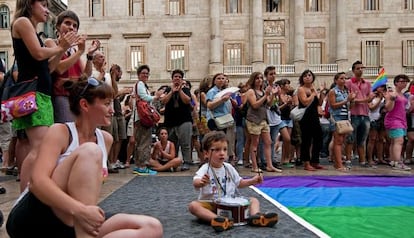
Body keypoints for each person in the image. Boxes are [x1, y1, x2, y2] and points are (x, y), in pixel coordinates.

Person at [6, 77, 163, 238]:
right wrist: (81, 210)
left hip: (72, 222)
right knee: (90, 151)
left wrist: (84, 213)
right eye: (106, 104)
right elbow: (37, 183)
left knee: (152, 227)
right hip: (34, 219)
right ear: (85, 105)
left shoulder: (105, 139)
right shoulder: (60, 132)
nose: (112, 110)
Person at [11, 0, 79, 192]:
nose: (47, 10)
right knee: (39, 147)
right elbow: (39, 54)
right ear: (30, 4)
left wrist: (62, 49)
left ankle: (28, 194)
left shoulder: (32, 30)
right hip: (33, 93)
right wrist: (60, 47)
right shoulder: (22, 22)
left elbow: (49, 67)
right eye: (43, 4)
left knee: (37, 147)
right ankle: (25, 197)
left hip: (41, 93)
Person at [188, 131, 278, 232]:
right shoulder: (205, 168)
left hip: (230, 202)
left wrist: (253, 180)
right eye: (217, 150)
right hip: (210, 204)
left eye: (225, 149)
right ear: (206, 153)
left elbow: (239, 183)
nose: (222, 153)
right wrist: (201, 182)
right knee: (193, 206)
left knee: (253, 200)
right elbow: (195, 181)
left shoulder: (229, 167)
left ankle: (256, 217)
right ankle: (216, 219)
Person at [49, 10, 100, 123]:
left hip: (75, 96)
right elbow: (59, 68)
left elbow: (85, 75)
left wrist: (90, 55)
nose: (71, 27)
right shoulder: (51, 43)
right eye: (67, 23)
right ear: (58, 26)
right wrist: (80, 52)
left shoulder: (74, 50)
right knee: (68, 131)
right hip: (61, 96)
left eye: (75, 26)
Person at [245, 72, 281, 173]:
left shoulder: (263, 91)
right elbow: (255, 105)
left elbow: (269, 104)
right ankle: (254, 166)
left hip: (264, 119)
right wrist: (265, 96)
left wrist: (272, 95)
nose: (259, 80)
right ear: (253, 80)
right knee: (255, 143)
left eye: (261, 78)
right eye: (257, 78)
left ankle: (269, 165)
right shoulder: (251, 91)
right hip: (254, 119)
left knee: (268, 142)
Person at [132, 65, 163, 175]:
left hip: (139, 117)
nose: (145, 75)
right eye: (143, 73)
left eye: (147, 73)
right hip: (143, 117)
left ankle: (138, 165)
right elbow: (144, 97)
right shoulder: (140, 84)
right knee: (145, 142)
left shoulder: (140, 85)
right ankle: (143, 166)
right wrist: (156, 97)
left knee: (140, 141)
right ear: (139, 74)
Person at [161, 69, 193, 170]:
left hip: (184, 120)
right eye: (175, 77)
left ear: (182, 79)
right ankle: (173, 162)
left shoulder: (186, 90)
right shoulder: (167, 90)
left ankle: (187, 161)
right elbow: (164, 101)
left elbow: (187, 101)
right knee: (172, 143)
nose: (177, 78)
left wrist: (179, 90)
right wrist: (172, 91)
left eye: (179, 77)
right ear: (172, 78)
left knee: (185, 142)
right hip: (170, 121)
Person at [344, 61, 375, 167]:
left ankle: (362, 161)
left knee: (362, 139)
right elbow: (348, 98)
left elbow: (370, 96)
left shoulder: (367, 83)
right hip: (353, 113)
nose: (360, 70)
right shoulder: (348, 83)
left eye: (362, 68)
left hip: (365, 114)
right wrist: (365, 99)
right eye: (358, 68)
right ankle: (348, 160)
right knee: (350, 139)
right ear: (353, 70)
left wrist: (368, 99)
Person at [102, 64, 131, 173]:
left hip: (115, 112)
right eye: (120, 73)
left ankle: (113, 161)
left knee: (117, 138)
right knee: (112, 137)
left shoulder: (111, 80)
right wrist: (122, 92)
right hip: (111, 113)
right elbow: (112, 94)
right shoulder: (107, 78)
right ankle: (110, 162)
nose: (121, 76)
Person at [206, 73, 237, 166]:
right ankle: (214, 159)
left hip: (224, 119)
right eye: (218, 78)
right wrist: (222, 100)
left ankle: (220, 159)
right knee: (216, 140)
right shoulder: (212, 92)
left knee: (222, 139)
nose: (221, 80)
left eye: (223, 78)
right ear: (214, 81)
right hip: (215, 119)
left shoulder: (225, 91)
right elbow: (209, 105)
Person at [297, 69, 324, 171]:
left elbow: (319, 103)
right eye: (305, 76)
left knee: (318, 138)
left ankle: (315, 161)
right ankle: (306, 162)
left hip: (314, 116)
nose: (307, 77)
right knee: (306, 141)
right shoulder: (301, 89)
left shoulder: (313, 89)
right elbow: (305, 102)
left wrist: (320, 93)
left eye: (309, 75)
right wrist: (313, 94)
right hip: (305, 117)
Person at [328, 72, 355, 171]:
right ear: (336, 80)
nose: (344, 80)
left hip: (345, 117)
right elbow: (333, 105)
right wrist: (347, 100)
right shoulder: (333, 91)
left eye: (345, 78)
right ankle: (339, 165)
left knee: (342, 141)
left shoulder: (346, 91)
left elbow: (350, 107)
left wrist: (352, 100)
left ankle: (337, 163)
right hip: (336, 117)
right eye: (341, 78)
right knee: (338, 141)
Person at [384, 74, 412, 170]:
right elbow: (388, 108)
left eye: (405, 82)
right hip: (393, 120)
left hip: (401, 120)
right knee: (399, 141)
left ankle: (393, 160)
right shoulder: (392, 93)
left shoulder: (403, 95)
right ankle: (398, 162)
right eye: (402, 81)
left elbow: (406, 109)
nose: (404, 83)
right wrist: (392, 99)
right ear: (396, 83)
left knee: (394, 141)